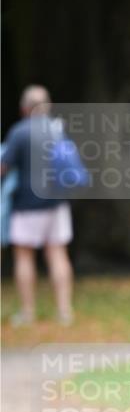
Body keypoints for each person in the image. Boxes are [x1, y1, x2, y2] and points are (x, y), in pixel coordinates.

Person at [1, 85, 75, 326]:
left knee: (24, 256)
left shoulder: (19, 132)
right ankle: (64, 312)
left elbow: (4, 167)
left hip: (26, 204)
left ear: (24, 108)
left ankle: (28, 312)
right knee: (58, 254)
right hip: (57, 202)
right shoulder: (57, 130)